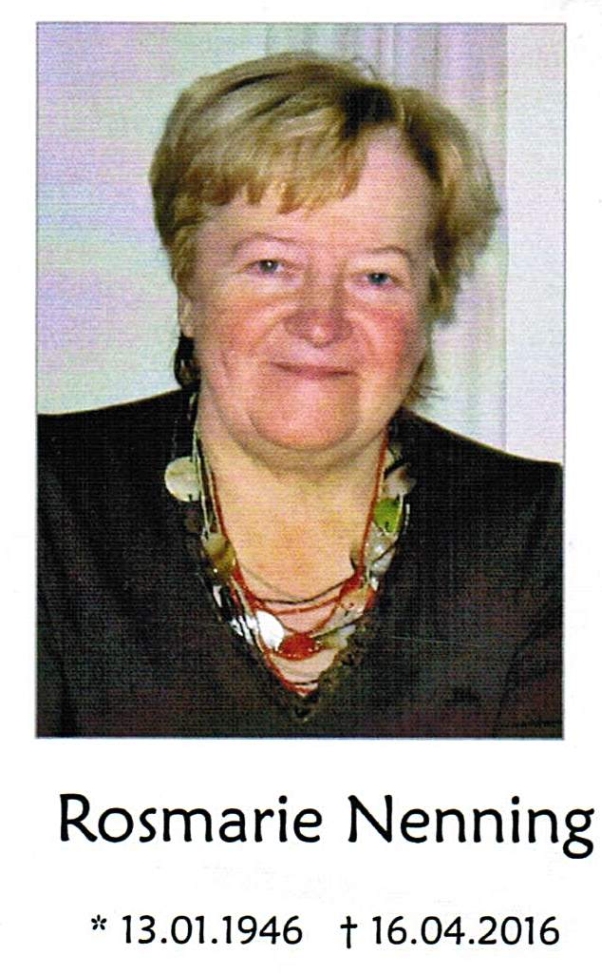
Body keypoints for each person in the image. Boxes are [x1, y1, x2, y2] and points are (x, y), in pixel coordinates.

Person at [38, 52, 562, 737]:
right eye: (271, 264)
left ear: (428, 307)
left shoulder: (541, 536)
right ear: (190, 290)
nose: (321, 322)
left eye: (376, 277)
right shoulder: (42, 498)